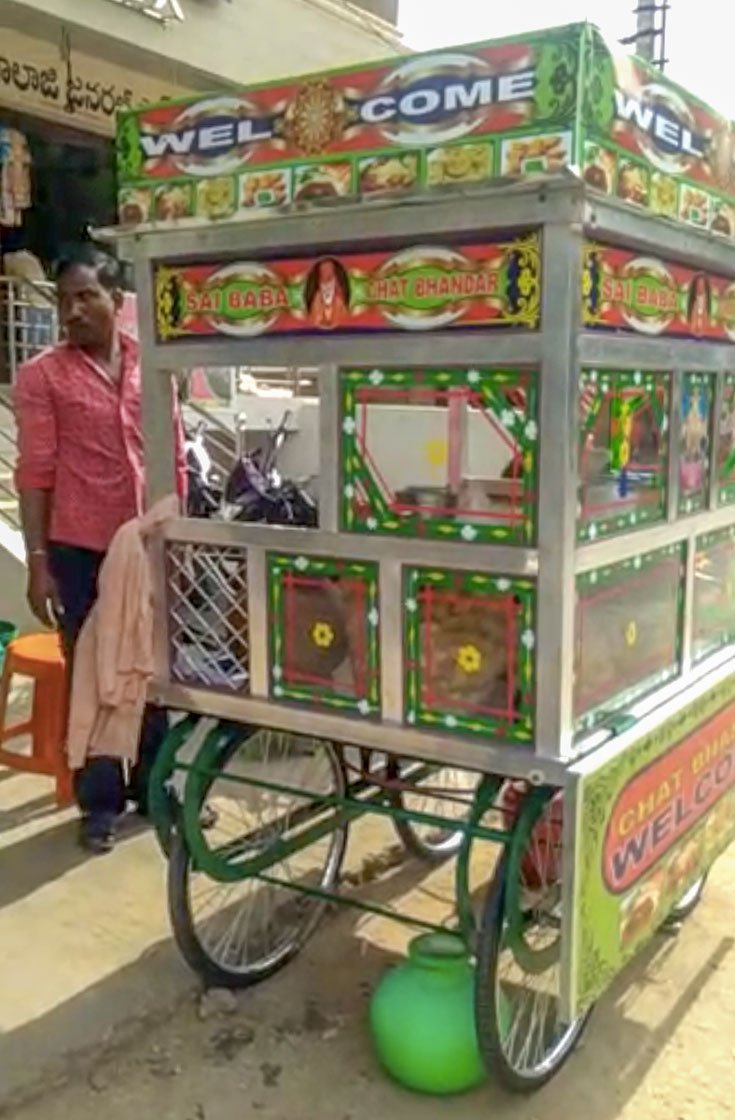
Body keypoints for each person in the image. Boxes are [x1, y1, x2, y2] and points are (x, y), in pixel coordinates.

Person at [14, 246, 187, 854]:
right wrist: (39, 566)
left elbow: (173, 451)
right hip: (80, 549)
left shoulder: (153, 366)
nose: (73, 312)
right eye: (64, 301)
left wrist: (181, 533)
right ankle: (99, 806)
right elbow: (33, 473)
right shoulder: (42, 377)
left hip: (149, 545)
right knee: (93, 674)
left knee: (151, 669)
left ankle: (157, 788)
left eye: (86, 297)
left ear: (118, 301)